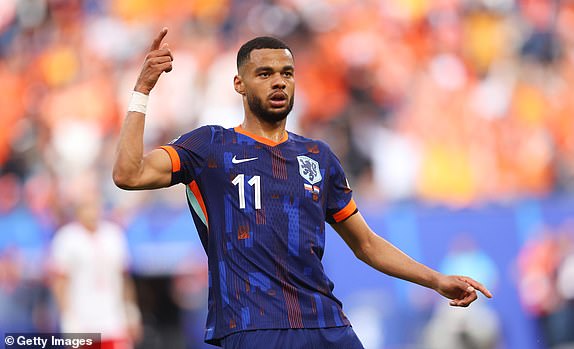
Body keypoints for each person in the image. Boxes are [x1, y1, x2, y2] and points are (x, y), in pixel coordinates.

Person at [112, 28, 492, 348]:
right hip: (253, 326)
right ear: (239, 84)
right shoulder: (209, 146)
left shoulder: (318, 157)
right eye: (264, 74)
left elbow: (367, 244)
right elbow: (128, 175)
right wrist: (142, 91)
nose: (279, 81)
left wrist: (436, 280)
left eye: (287, 72)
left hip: (326, 323)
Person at [50, 195, 142, 349]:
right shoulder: (67, 238)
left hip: (113, 320)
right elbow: (60, 283)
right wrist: (68, 319)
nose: (92, 212)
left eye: (94, 207)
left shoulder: (114, 235)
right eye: (87, 207)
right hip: (82, 321)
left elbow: (124, 278)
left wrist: (131, 313)